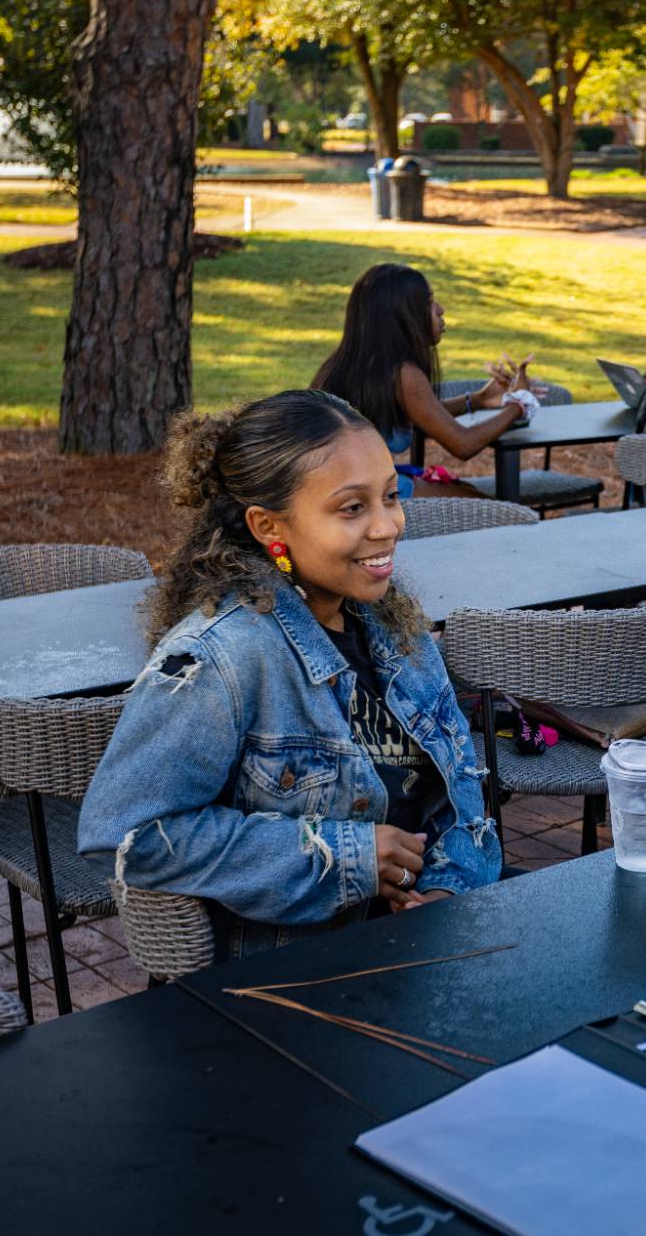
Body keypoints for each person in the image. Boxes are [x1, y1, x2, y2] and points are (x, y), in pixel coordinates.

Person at [77, 390, 500, 959]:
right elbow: (128, 834)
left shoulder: (397, 628)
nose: (388, 526)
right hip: (299, 969)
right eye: (352, 508)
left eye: (391, 497)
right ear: (269, 525)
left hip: (424, 939)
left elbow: (462, 785)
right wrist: (346, 856)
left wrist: (449, 885)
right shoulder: (222, 659)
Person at [311, 262, 541, 499]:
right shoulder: (402, 373)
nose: (440, 310)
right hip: (361, 499)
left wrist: (480, 399)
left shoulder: (348, 364)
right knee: (490, 510)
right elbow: (464, 445)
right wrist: (520, 403)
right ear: (402, 315)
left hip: (333, 490)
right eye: (428, 302)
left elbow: (424, 414)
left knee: (470, 493)